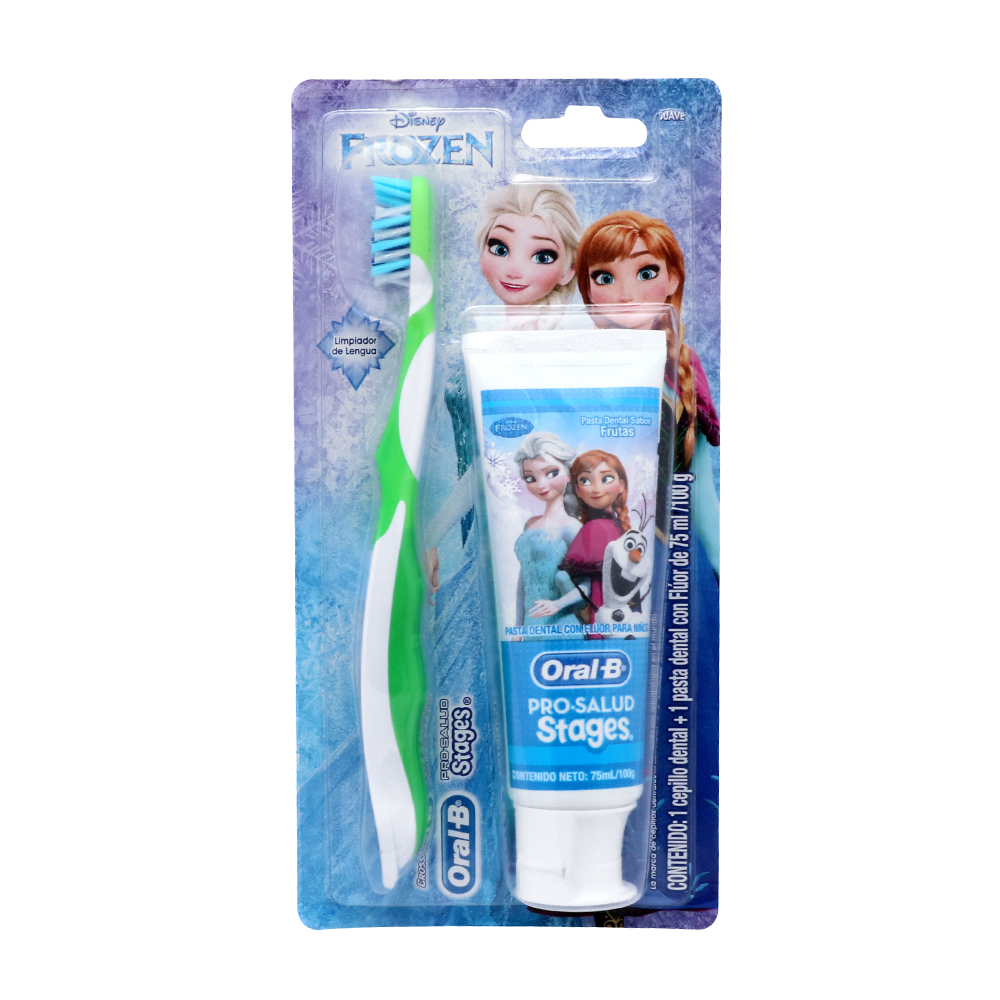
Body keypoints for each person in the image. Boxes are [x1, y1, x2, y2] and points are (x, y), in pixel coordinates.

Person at [425, 184, 585, 595]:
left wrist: (431, 534)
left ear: (568, 269)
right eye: (500, 248)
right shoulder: (488, 340)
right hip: (476, 516)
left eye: (542, 256)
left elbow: (494, 460)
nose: (514, 270)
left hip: (507, 515)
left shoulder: (534, 353)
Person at [576, 211, 720, 575]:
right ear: (587, 289)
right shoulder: (576, 360)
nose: (626, 295)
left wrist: (721, 558)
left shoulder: (684, 366)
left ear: (673, 278)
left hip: (672, 546)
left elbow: (698, 482)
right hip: (602, 540)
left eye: (646, 273)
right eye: (605, 277)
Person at [508, 433, 584, 633]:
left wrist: (558, 604)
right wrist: (518, 627)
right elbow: (524, 581)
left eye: (551, 473)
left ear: (568, 474)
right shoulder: (530, 524)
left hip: (561, 625)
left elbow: (589, 584)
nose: (541, 485)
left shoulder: (571, 527)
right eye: (530, 478)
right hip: (531, 625)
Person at [557, 450, 631, 630]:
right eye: (585, 481)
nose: (597, 489)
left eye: (606, 479)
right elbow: (572, 575)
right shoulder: (592, 528)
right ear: (577, 490)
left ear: (621, 485)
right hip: (603, 600)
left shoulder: (617, 525)